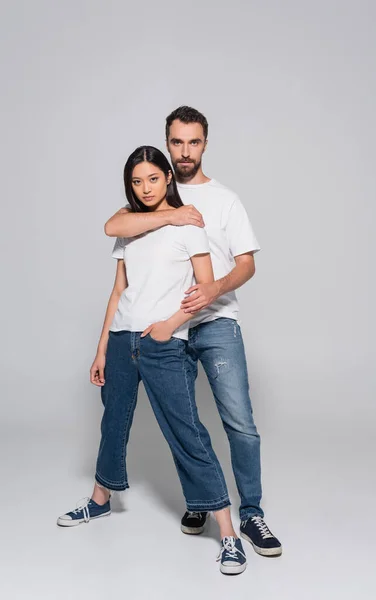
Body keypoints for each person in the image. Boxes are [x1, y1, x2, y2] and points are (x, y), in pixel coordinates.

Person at [57, 146, 247, 575]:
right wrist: (102, 347)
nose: (145, 188)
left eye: (153, 179)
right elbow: (118, 289)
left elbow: (205, 288)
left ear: (167, 177)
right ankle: (100, 501)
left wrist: (171, 323)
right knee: (113, 422)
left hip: (163, 343)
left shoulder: (191, 225)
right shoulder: (133, 227)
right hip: (123, 340)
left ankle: (229, 535)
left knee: (187, 431)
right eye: (137, 182)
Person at [104, 106, 283, 557]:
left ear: (205, 144)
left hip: (215, 321)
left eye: (194, 142)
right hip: (167, 330)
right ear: (167, 145)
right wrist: (168, 216)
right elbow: (116, 227)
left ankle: (252, 513)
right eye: (177, 142)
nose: (185, 151)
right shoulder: (153, 189)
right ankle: (201, 503)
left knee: (238, 421)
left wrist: (212, 291)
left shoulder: (225, 200)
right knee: (183, 421)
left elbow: (247, 263)